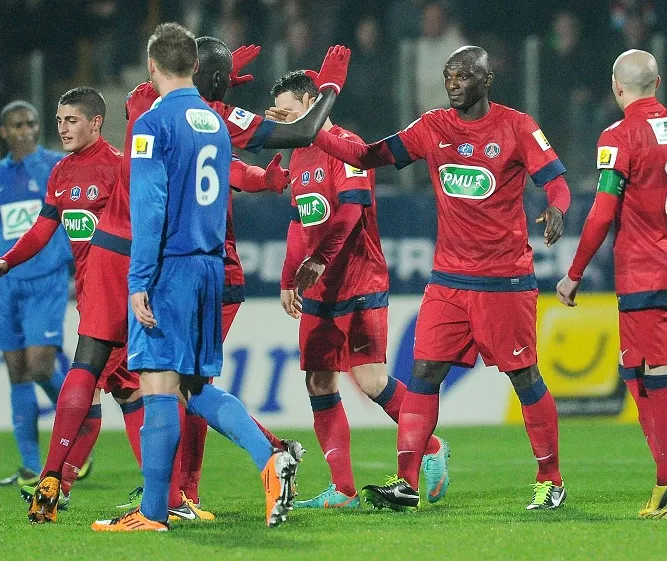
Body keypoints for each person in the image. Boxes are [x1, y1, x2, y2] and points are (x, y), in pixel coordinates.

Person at [90, 23, 350, 532]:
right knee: (191, 383)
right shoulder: (217, 120)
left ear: (151, 67)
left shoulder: (150, 121)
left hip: (170, 268)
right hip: (213, 268)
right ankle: (269, 456)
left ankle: (153, 514)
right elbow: (300, 133)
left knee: (158, 382)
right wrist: (330, 90)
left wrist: (139, 278)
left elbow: (148, 207)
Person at [311, 45, 572, 511]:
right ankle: (407, 481)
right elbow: (369, 155)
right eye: (448, 75)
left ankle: (550, 479)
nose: (453, 83)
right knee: (425, 371)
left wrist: (555, 208)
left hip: (504, 280)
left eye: (464, 75)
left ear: (487, 79)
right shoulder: (432, 127)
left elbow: (555, 181)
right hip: (449, 280)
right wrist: (317, 130)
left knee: (524, 376)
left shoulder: (517, 126)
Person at [267, 70, 449, 509]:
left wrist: (318, 260)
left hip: (359, 279)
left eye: (292, 112)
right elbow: (299, 221)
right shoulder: (298, 156)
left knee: (370, 380)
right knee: (318, 381)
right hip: (319, 286)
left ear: (314, 104)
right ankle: (343, 489)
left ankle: (432, 446)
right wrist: (289, 276)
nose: (287, 121)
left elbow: (350, 212)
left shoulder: (347, 146)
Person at [0, 87, 143, 521]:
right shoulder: (61, 173)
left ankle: (165, 492)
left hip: (118, 294)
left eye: (71, 120)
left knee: (112, 387)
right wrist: (6, 261)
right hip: (89, 294)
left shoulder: (119, 167)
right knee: (115, 391)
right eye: (59, 120)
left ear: (96, 122)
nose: (62, 127)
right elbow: (43, 230)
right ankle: (56, 485)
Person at [556, 49, 667, 518]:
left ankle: (665, 481)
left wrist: (575, 272)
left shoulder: (619, 135)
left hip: (646, 273)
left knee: (647, 374)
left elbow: (603, 210)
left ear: (617, 87)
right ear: (657, 83)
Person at [0, 101, 71, 487]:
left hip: (45, 280)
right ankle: (30, 466)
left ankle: (79, 428)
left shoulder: (56, 167)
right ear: (4, 132)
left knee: (41, 366)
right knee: (17, 372)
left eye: (31, 123)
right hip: (5, 284)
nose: (26, 130)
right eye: (18, 125)